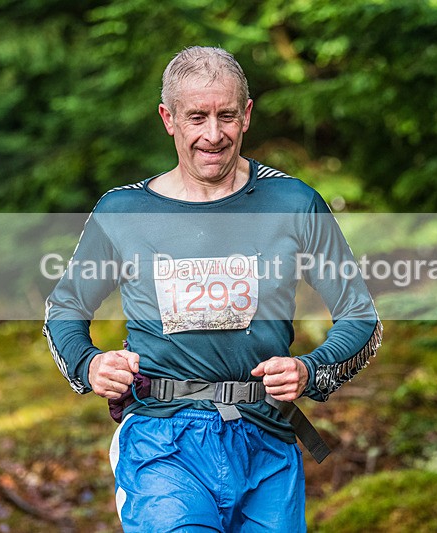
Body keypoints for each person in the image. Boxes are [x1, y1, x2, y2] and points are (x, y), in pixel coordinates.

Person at [43, 46, 381, 532]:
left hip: (267, 440)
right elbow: (65, 309)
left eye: (226, 115)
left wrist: (311, 370)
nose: (213, 134)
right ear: (168, 119)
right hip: (163, 442)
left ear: (246, 115)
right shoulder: (124, 213)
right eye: (196, 116)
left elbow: (362, 318)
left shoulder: (293, 203)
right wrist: (89, 363)